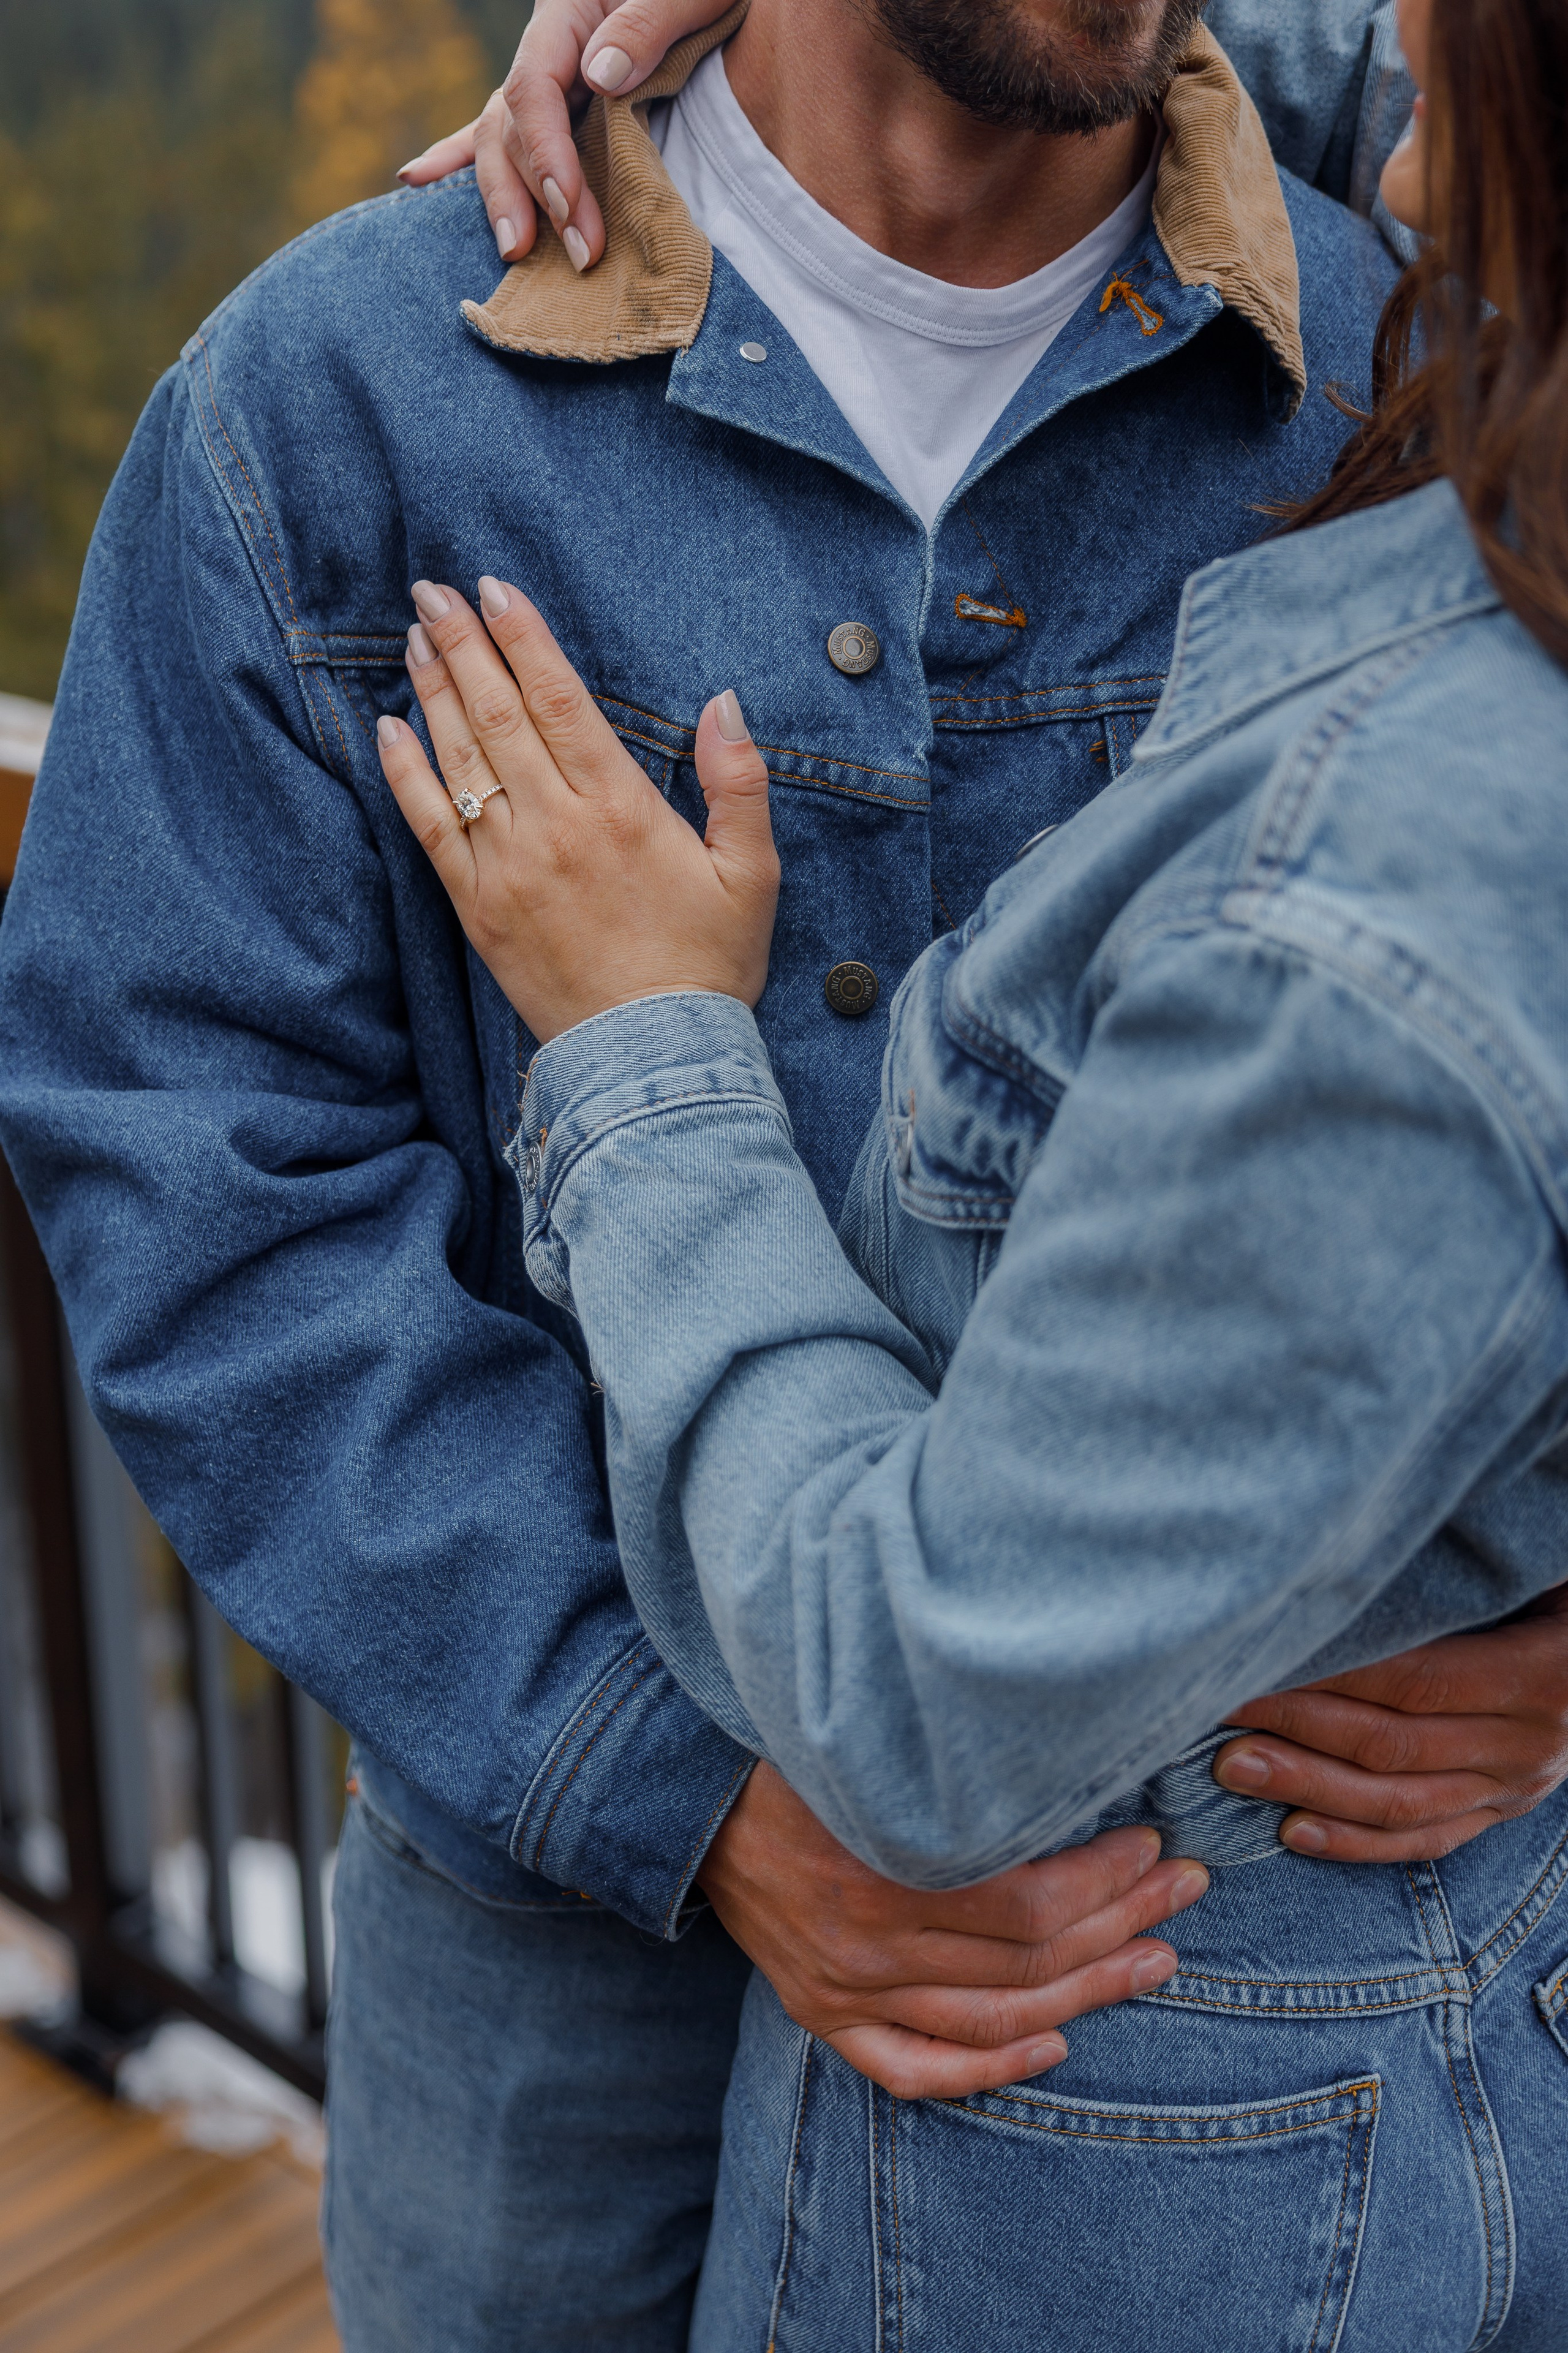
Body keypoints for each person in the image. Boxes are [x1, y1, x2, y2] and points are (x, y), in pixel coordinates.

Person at [1, 1, 1566, 2347]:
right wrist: (689, 1787)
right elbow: (203, 1183)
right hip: (548, 1972)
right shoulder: (340, 405)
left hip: (1209, 2029)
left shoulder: (1423, 386)